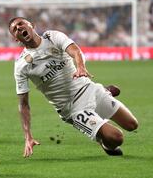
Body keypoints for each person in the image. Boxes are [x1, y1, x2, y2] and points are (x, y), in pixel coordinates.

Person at [8, 17, 138, 157]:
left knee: (132, 125)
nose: (19, 28)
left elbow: (75, 51)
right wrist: (28, 136)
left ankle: (104, 93)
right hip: (73, 108)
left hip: (89, 88)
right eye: (14, 29)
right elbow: (24, 104)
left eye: (20, 24)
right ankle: (104, 142)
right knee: (116, 138)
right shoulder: (21, 65)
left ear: (31, 25)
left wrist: (80, 67)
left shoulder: (52, 37)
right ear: (16, 39)